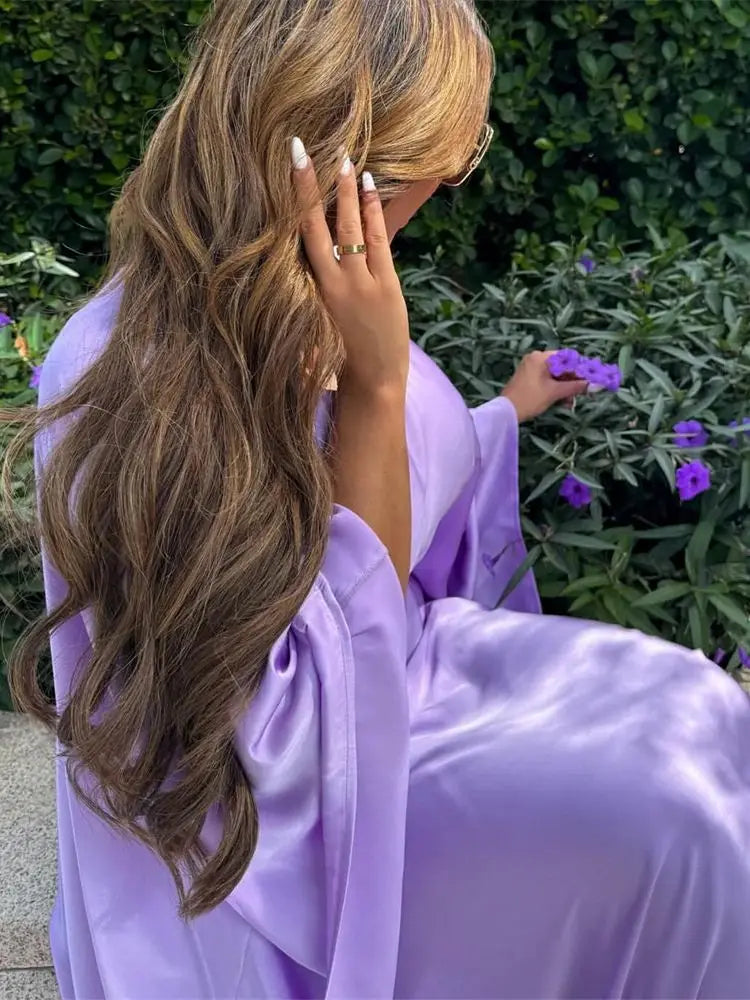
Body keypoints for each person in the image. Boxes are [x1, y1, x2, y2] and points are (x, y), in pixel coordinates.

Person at [5, 0, 750, 996]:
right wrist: (377, 385)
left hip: (396, 670)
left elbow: (406, 490)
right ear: (326, 165)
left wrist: (502, 411)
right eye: (422, 173)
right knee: (674, 814)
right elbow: (286, 738)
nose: (431, 198)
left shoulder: (311, 299)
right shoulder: (134, 373)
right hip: (303, 789)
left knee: (699, 708)